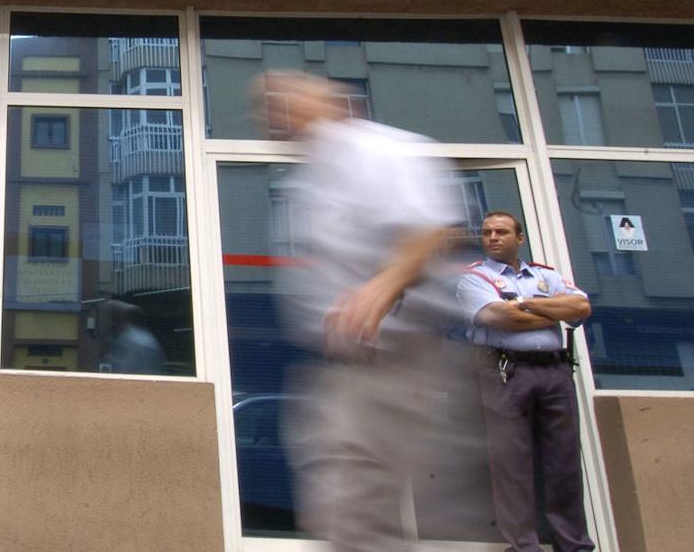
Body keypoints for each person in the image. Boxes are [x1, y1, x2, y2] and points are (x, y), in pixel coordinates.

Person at [253, 70, 465, 551]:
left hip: (398, 359)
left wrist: (382, 286)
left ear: (326, 101)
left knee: (363, 512)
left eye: (280, 100)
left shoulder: (379, 151)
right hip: (342, 365)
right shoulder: (308, 179)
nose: (269, 113)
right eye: (264, 105)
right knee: (342, 509)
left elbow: (430, 231)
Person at [457, 211, 595, 552]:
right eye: (487, 232)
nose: (492, 237)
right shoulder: (475, 277)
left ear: (519, 238)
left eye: (501, 232)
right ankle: (524, 546)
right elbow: (502, 318)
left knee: (563, 462)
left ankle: (573, 544)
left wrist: (526, 303)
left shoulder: (545, 275)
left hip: (554, 372)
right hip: (506, 371)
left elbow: (581, 308)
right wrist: (551, 310)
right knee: (512, 464)